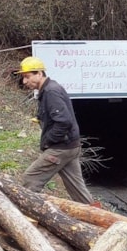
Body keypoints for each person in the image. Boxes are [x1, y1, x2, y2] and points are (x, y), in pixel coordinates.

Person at [16, 56, 96, 205]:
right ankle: (96, 214)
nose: (25, 81)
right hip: (71, 146)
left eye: (27, 76)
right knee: (77, 189)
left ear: (39, 73)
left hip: (61, 148)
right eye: (23, 77)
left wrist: (48, 141)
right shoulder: (49, 89)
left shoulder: (51, 91)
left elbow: (64, 121)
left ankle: (28, 212)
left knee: (31, 178)